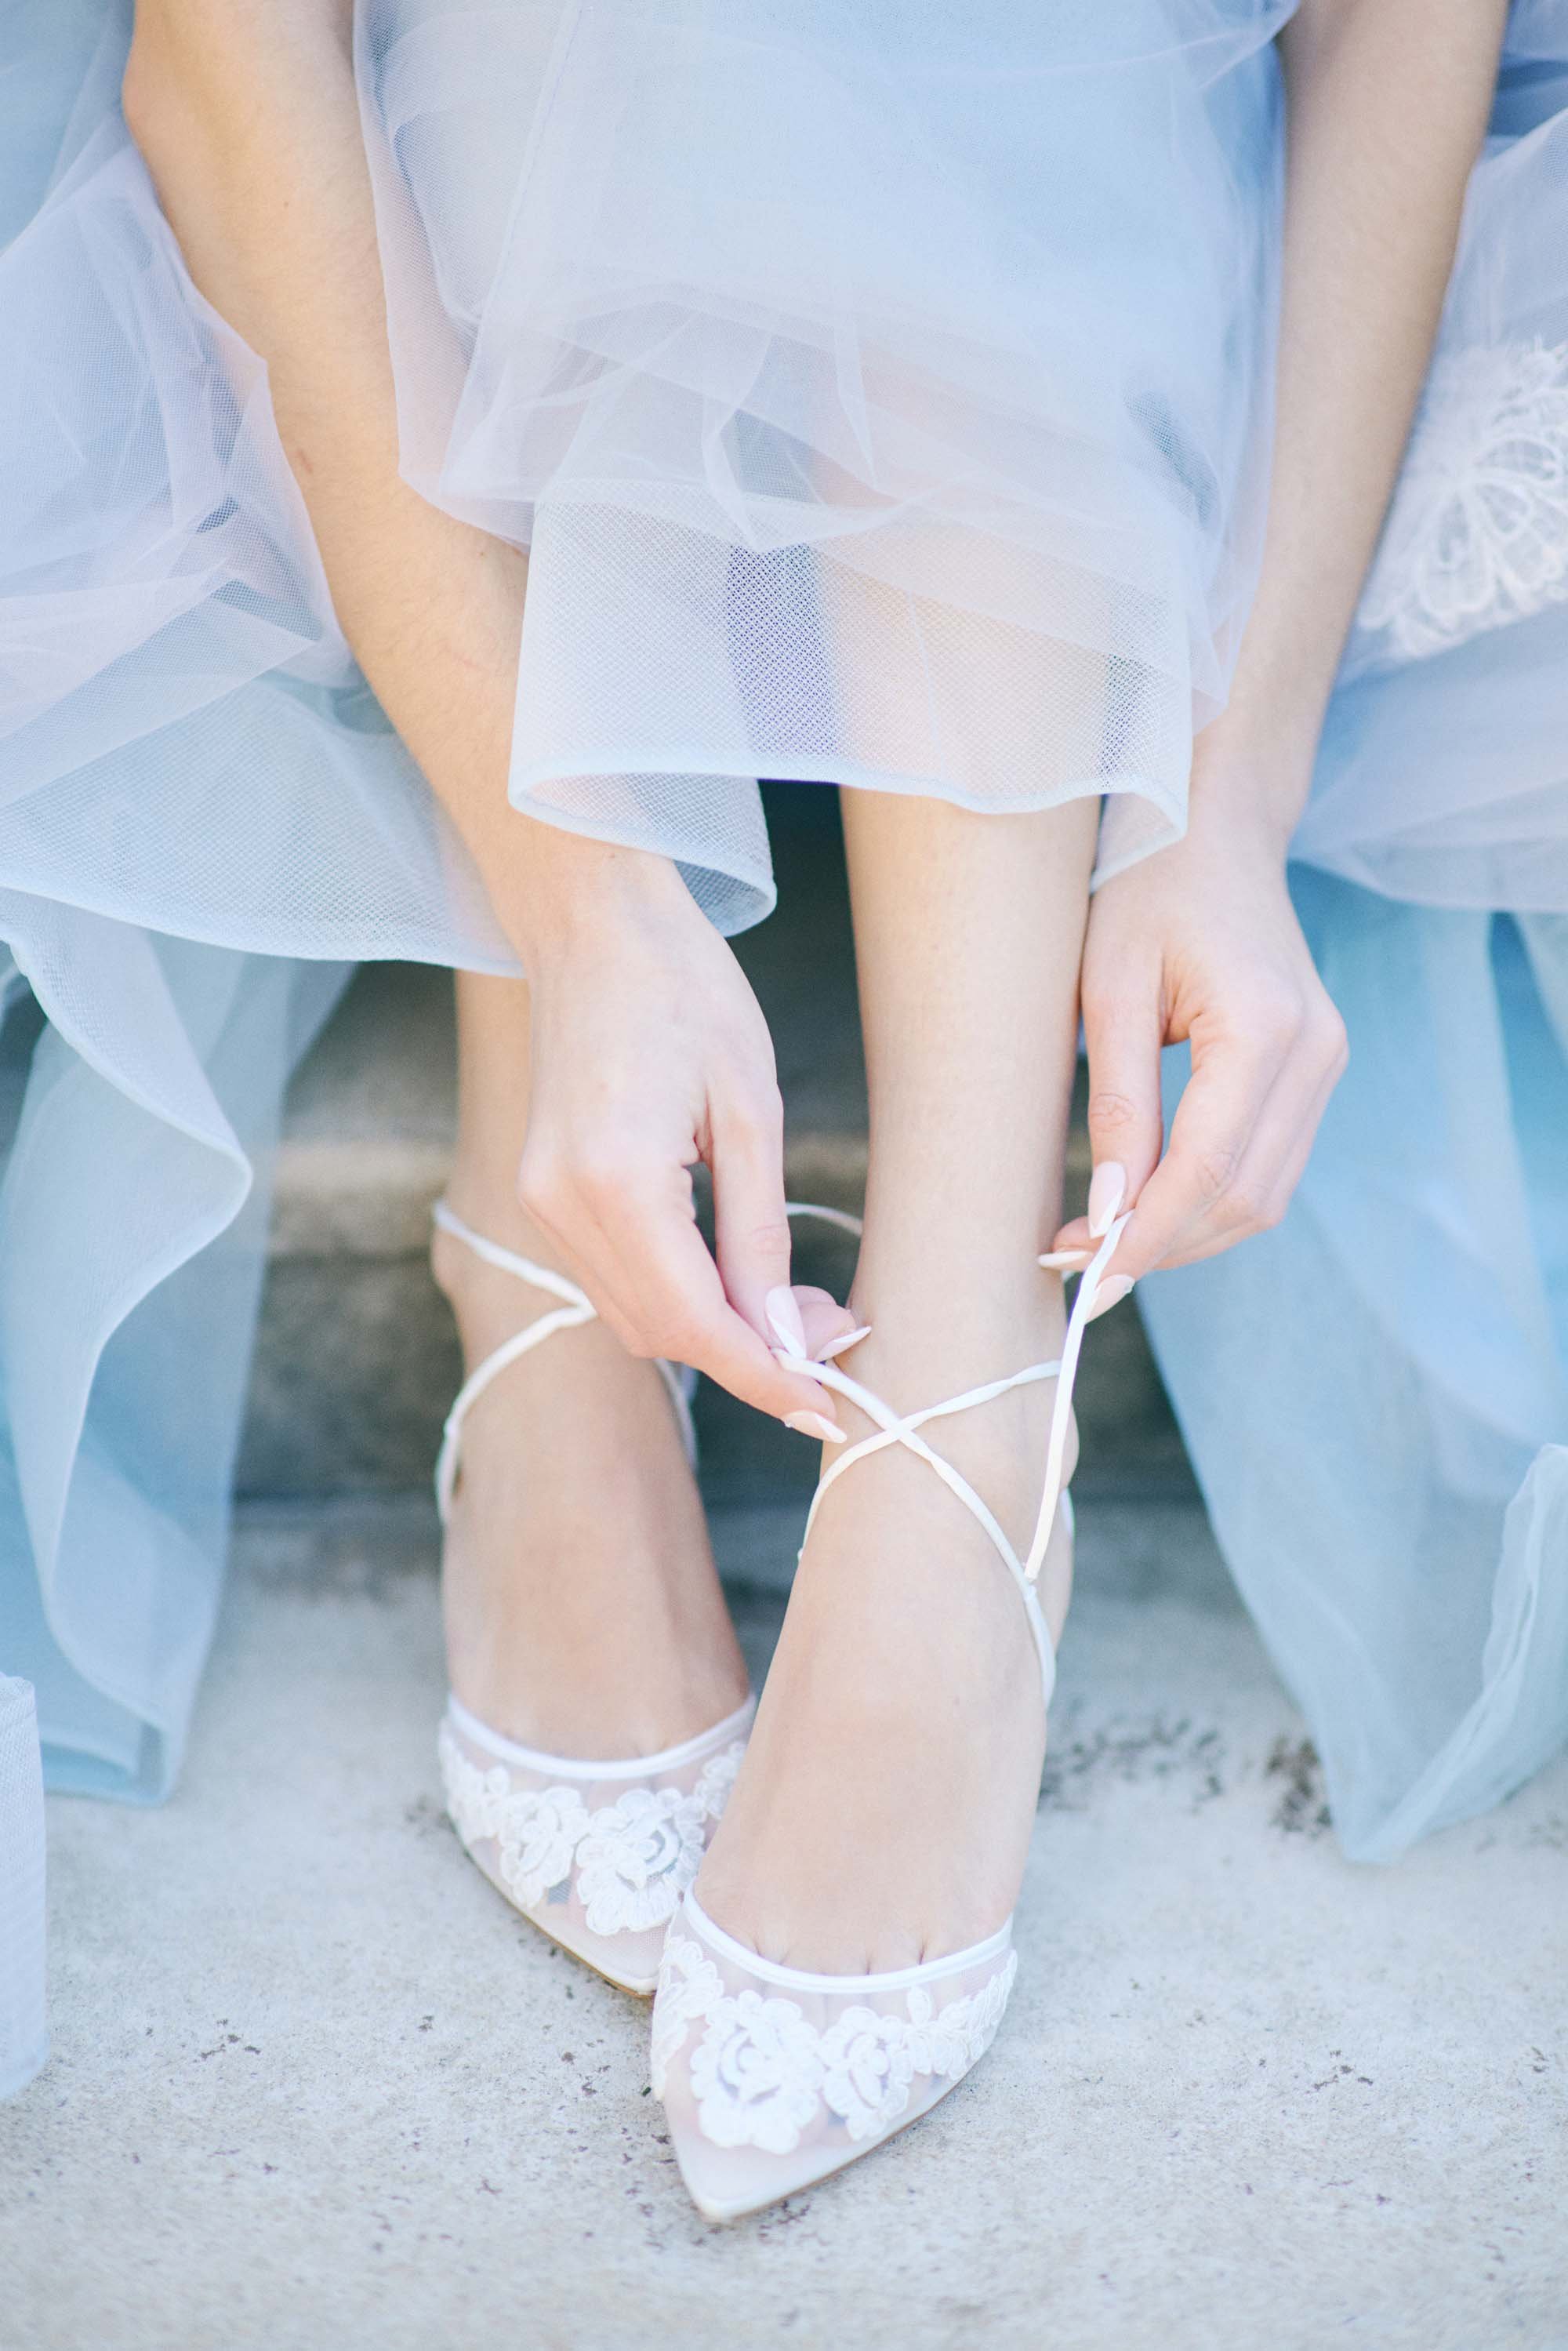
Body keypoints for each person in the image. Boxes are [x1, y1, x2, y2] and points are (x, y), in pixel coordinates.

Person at [1, 0, 1549, 2222]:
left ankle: (964, 1390)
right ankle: (543, 1142)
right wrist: (585, 900)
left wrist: (1230, 798)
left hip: (1155, 275)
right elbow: (220, 61)